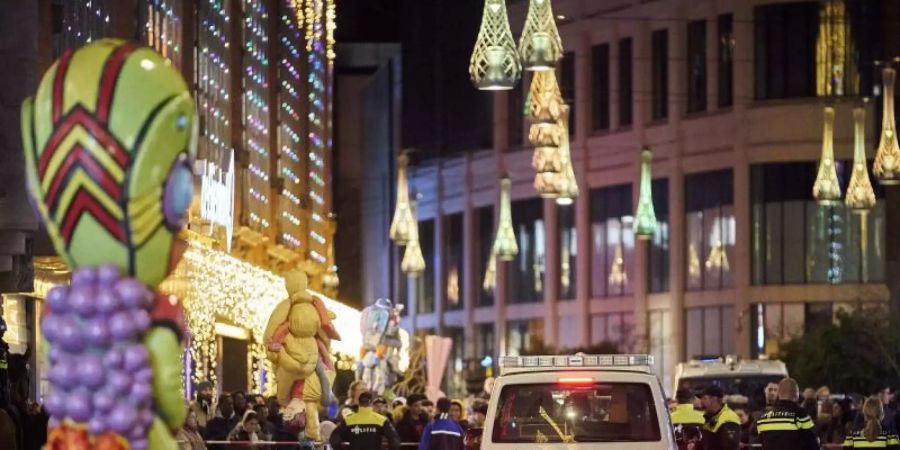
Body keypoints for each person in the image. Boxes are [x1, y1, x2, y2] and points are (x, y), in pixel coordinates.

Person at [755, 377, 819, 450]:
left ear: (778, 394)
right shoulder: (800, 414)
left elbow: (761, 442)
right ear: (797, 394)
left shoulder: (763, 417)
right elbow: (813, 443)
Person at [329, 391, 400, 450]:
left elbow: (334, 439)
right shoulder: (381, 420)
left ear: (359, 403)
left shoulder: (349, 420)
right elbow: (395, 442)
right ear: (371, 403)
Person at [699, 385, 741, 450]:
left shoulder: (729, 418)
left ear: (714, 399)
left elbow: (730, 447)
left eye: (704, 398)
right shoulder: (708, 416)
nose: (701, 401)